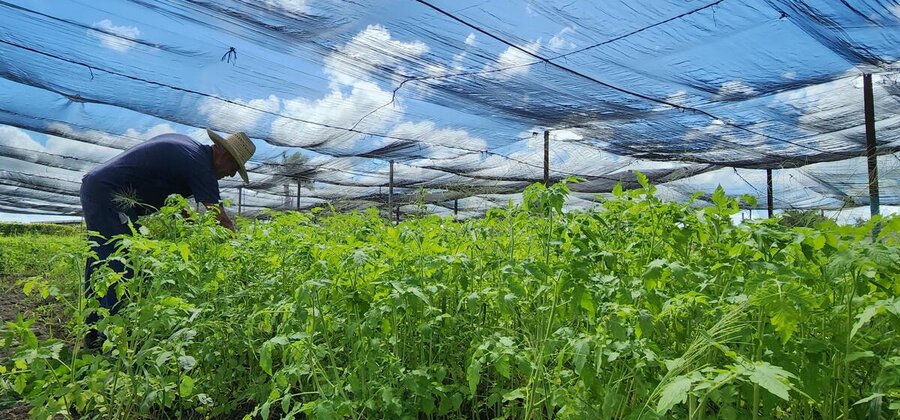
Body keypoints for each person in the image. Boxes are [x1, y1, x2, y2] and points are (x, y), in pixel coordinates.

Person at [79, 129, 255, 348]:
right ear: (224, 155)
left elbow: (179, 204)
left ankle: (93, 331)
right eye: (235, 168)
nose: (231, 175)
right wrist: (243, 256)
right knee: (120, 264)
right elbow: (220, 218)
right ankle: (107, 341)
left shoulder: (188, 149)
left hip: (102, 189)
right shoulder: (201, 165)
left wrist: (196, 233)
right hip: (110, 195)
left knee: (103, 261)